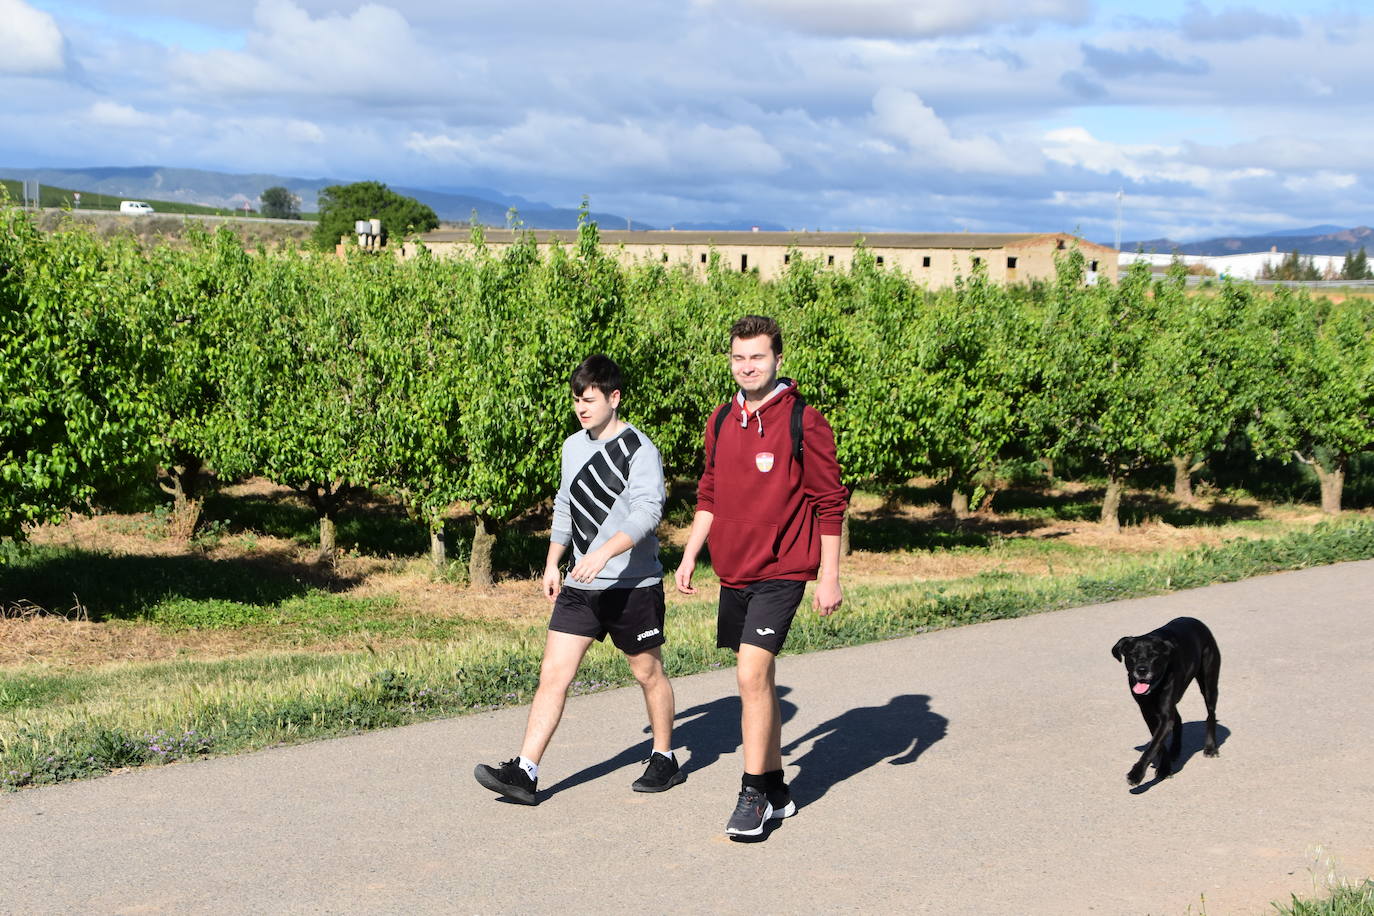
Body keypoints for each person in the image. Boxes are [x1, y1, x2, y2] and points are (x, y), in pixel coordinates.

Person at [475, 355, 680, 805]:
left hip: (633, 586)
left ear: (614, 397)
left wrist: (604, 553)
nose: (582, 408)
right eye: (576, 401)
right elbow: (566, 506)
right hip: (581, 587)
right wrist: (554, 562)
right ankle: (525, 772)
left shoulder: (640, 449)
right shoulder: (572, 447)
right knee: (553, 675)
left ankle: (665, 757)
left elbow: (649, 512)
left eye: (589, 400)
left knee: (647, 673)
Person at [675, 315, 848, 837]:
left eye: (758, 357)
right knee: (762, 681)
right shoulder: (721, 420)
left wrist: (829, 576)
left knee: (750, 675)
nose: (748, 366)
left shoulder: (805, 421)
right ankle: (776, 788)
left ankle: (751, 795)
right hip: (734, 570)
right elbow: (710, 493)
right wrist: (689, 555)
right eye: (739, 357)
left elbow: (830, 501)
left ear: (777, 359)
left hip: (784, 568)